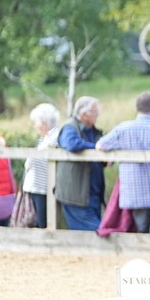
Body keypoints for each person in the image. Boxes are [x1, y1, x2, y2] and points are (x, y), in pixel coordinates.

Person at [96, 91, 150, 234]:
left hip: (133, 192)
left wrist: (113, 156)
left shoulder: (122, 129)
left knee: (141, 229)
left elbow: (100, 145)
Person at [55, 97, 105, 231]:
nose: (97, 115)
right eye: (94, 112)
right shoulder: (70, 127)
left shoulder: (94, 131)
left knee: (92, 235)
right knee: (97, 233)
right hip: (76, 196)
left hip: (93, 194)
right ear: (84, 114)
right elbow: (71, 144)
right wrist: (96, 148)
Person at [22, 103, 61, 229]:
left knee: (44, 222)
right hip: (37, 187)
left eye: (36, 122)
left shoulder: (54, 137)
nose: (35, 126)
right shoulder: (45, 138)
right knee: (37, 221)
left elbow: (36, 158)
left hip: (43, 187)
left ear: (44, 122)